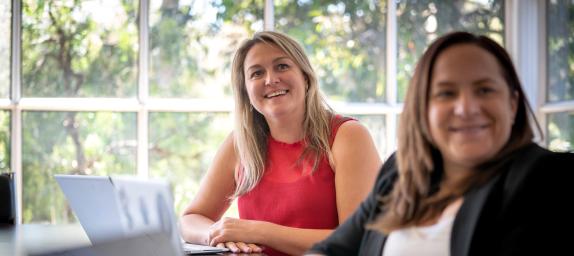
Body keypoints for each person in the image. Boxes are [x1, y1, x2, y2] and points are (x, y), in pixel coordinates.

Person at [306, 31, 574, 256]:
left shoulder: (548, 177)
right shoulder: (400, 171)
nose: (466, 108)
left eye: (484, 90)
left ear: (512, 104)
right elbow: (332, 250)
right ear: (424, 109)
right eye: (446, 93)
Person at [180, 31, 382, 256]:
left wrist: (257, 231)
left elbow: (357, 240)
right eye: (257, 73)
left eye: (282, 66)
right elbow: (190, 219)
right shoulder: (240, 143)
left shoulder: (348, 136)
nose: (270, 79)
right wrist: (218, 234)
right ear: (245, 91)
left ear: (305, 77)